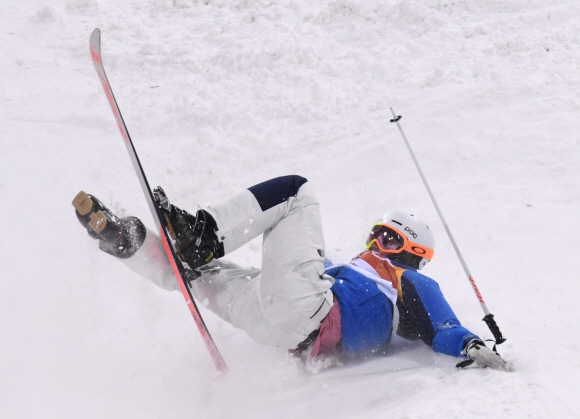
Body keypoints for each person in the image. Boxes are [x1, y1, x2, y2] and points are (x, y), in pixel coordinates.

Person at [72, 175, 511, 371]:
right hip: (276, 325)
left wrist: (473, 345)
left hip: (314, 314)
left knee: (297, 192)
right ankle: (124, 239)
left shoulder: (412, 282)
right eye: (377, 234)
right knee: (198, 272)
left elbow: (443, 324)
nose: (378, 245)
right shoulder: (349, 267)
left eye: (392, 240)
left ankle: (202, 231)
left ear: (414, 254)